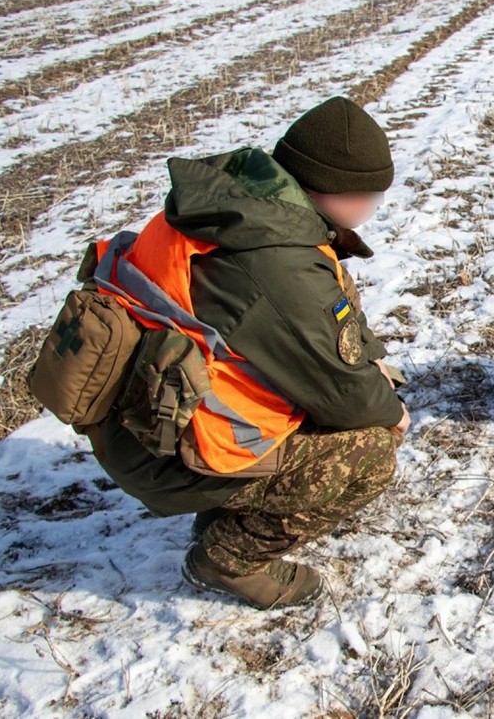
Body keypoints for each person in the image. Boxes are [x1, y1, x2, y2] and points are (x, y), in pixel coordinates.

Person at [83, 97, 410, 609]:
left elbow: (309, 336)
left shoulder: (235, 209)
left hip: (143, 420)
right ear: (332, 190)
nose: (373, 209)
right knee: (368, 451)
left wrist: (366, 365)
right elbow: (347, 394)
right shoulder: (277, 263)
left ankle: (229, 505)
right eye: (370, 195)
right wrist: (392, 412)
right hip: (165, 451)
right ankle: (226, 561)